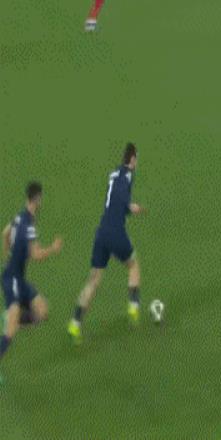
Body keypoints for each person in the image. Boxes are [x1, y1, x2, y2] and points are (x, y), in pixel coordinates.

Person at [68, 143, 145, 344]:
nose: (137, 162)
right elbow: (122, 198)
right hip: (115, 232)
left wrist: (130, 208)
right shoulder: (128, 176)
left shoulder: (113, 174)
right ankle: (134, 308)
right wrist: (130, 206)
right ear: (132, 159)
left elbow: (115, 202)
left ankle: (75, 322)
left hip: (101, 232)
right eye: (137, 158)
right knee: (133, 265)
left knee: (94, 279)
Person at [0, 182, 63, 383]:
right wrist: (53, 249)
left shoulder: (19, 217)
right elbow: (36, 255)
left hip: (18, 278)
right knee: (10, 332)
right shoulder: (28, 226)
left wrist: (7, 254)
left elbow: (5, 233)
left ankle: (14, 317)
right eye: (40, 198)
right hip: (12, 280)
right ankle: (12, 319)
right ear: (36, 199)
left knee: (42, 311)